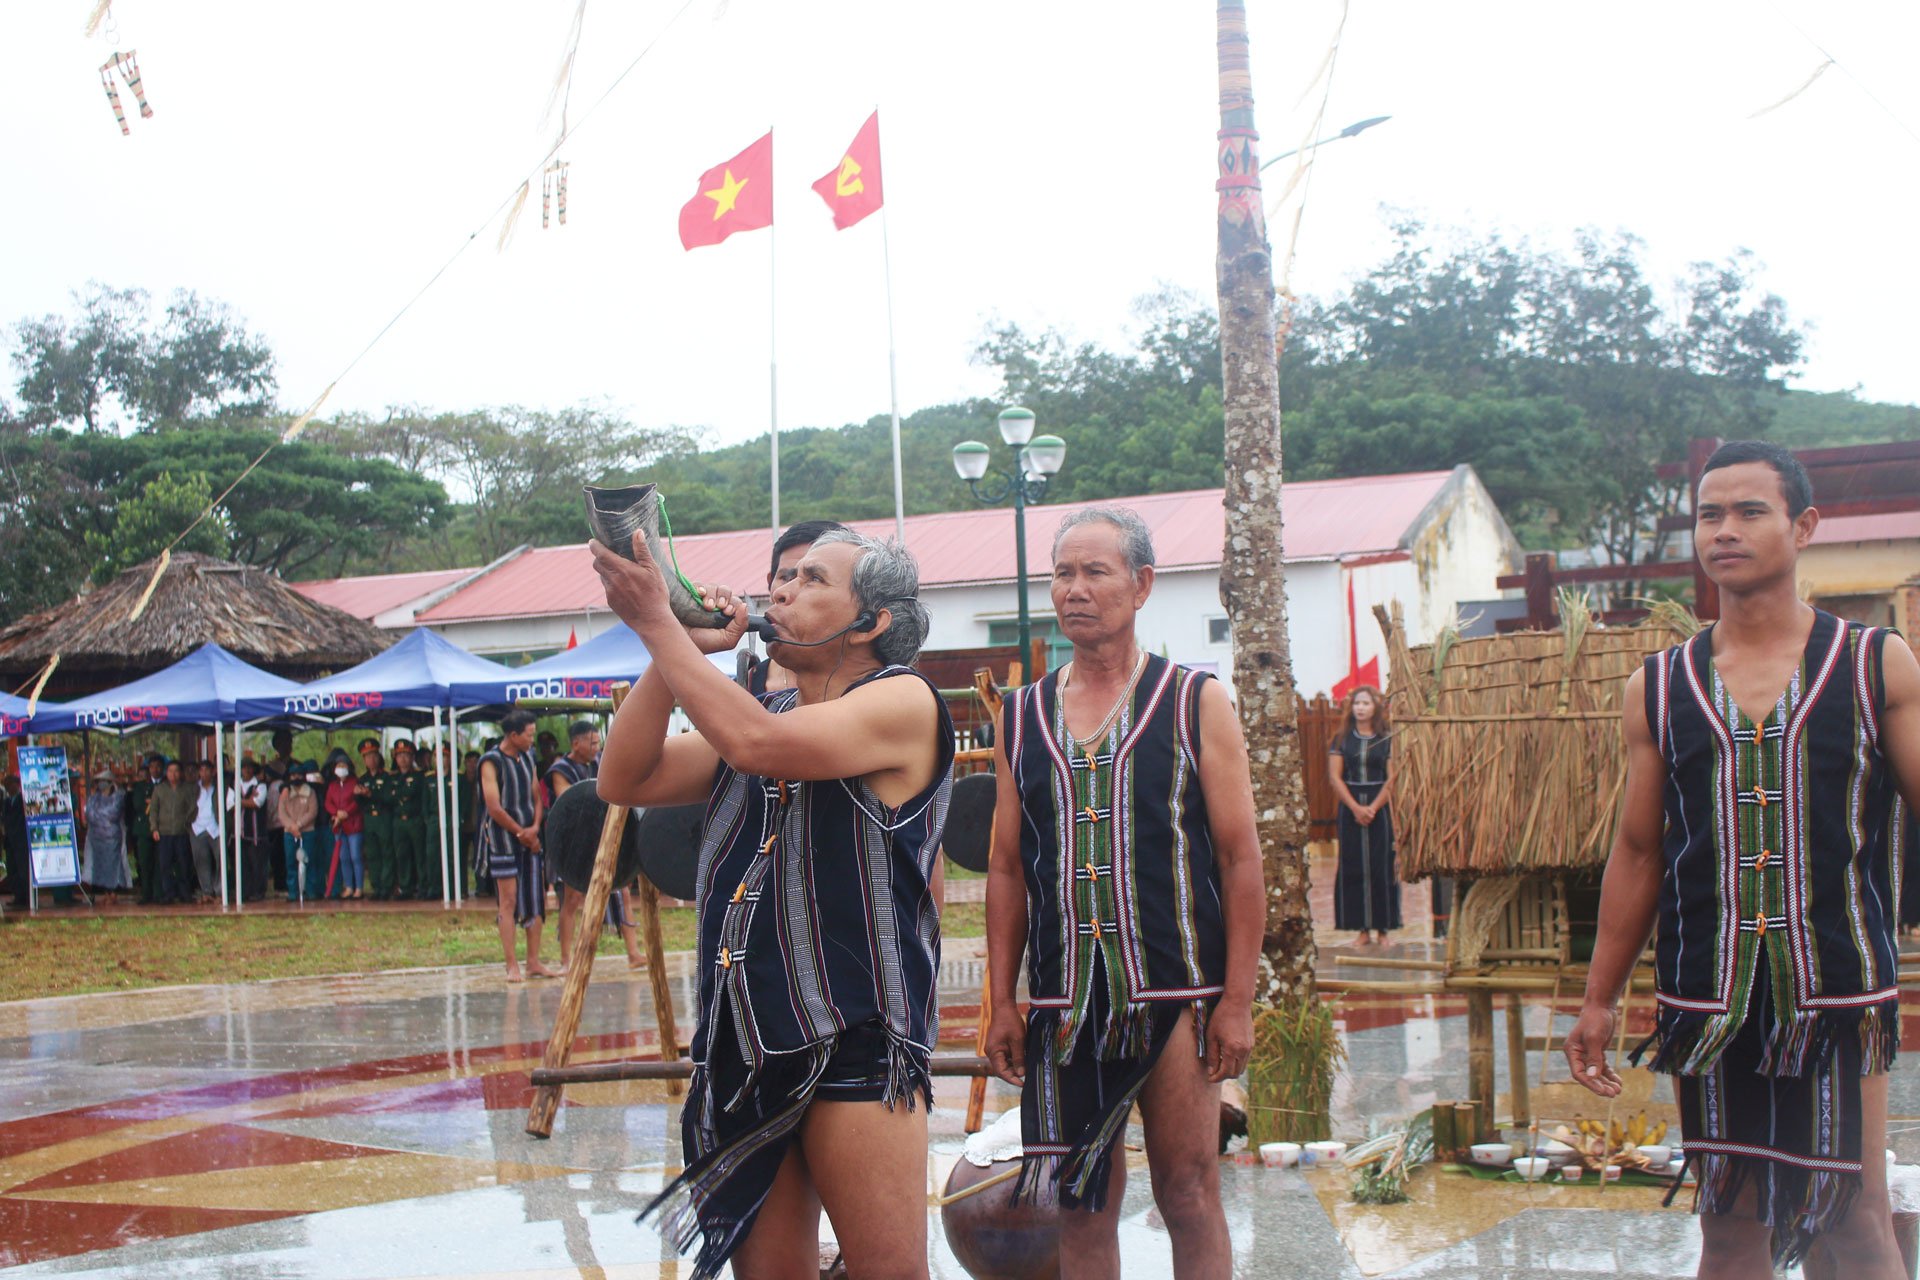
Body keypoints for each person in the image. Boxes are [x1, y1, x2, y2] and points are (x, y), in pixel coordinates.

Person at [1565, 442, 1920, 1278]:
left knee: (1855, 1218)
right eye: (1709, 514)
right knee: (1728, 1225)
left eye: (1750, 511)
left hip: (1836, 991)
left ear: (1803, 527)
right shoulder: (1659, 686)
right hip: (1708, 994)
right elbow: (1641, 849)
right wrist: (1598, 999)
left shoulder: (1875, 665)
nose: (1724, 530)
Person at [594, 525, 951, 1280]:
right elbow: (626, 778)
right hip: (746, 1040)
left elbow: (755, 745)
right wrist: (679, 645)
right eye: (779, 578)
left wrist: (661, 624)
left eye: (812, 579)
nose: (780, 591)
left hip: (857, 1036)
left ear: (874, 621)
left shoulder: (904, 699)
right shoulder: (755, 707)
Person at [982, 506, 1263, 1279]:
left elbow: (1241, 860)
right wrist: (1002, 999)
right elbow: (1006, 868)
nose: (1075, 589)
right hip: (1065, 1002)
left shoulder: (1193, 700)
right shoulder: (1020, 715)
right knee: (1080, 1197)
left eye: (1095, 572)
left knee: (1188, 1190)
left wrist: (1235, 1001)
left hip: (1176, 992)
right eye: (1063, 574)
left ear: (1141, 585)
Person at [548, 720, 645, 970]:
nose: (596, 746)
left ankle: (633, 953)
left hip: (605, 835)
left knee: (622, 890)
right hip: (575, 843)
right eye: (592, 742)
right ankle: (566, 958)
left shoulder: (602, 761)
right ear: (575, 743)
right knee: (572, 898)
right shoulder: (561, 769)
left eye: (597, 742)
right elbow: (567, 801)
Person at [478, 709, 557, 982]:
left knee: (535, 898)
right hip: (503, 841)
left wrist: (534, 827)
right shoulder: (491, 762)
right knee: (508, 901)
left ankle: (533, 962)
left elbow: (537, 796)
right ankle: (512, 965)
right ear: (513, 735)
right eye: (529, 735)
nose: (532, 740)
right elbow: (494, 806)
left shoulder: (527, 758)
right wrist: (519, 832)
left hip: (531, 838)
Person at [1329, 684, 1399, 945]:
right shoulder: (1341, 740)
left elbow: (1392, 778)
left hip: (1380, 809)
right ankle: (1361, 930)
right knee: (1354, 865)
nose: (1361, 708)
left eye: (1366, 703)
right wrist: (1356, 808)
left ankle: (1383, 930)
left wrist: (1374, 806)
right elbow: (1335, 778)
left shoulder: (1387, 738)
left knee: (1381, 866)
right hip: (1350, 809)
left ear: (1375, 707)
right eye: (1357, 703)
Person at [748, 518, 851, 695]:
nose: (785, 592)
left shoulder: (882, 688)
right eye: (786, 578)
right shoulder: (747, 683)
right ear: (770, 582)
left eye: (814, 579)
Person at [388, 739, 433, 902]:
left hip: (415, 820)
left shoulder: (419, 776)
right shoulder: (392, 777)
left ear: (412, 757)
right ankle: (405, 887)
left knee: (420, 855)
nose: (403, 759)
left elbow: (420, 797)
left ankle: (423, 886)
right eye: (399, 756)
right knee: (402, 855)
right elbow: (389, 797)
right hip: (399, 821)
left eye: (406, 755)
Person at [149, 760, 197, 905]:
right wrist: (154, 828)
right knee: (165, 865)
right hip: (164, 832)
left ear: (180, 773)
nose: (173, 774)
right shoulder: (160, 789)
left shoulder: (187, 789)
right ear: (166, 773)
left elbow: (193, 807)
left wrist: (187, 823)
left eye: (176, 771)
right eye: (170, 771)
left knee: (183, 864)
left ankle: (184, 893)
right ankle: (168, 893)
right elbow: (154, 810)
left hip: (181, 832)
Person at [81, 770, 132, 903]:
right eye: (98, 782)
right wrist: (99, 816)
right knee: (99, 866)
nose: (100, 784)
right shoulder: (93, 798)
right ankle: (105, 892)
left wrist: (99, 815)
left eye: (103, 781)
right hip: (96, 838)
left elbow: (113, 813)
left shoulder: (119, 796)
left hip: (112, 837)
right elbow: (89, 814)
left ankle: (114, 892)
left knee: (113, 865)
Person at [276, 762, 323, 903]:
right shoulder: (285, 792)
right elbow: (281, 812)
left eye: (299, 774)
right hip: (289, 833)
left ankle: (310, 891)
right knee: (291, 862)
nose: (296, 777)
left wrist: (299, 825)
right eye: (293, 775)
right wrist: (292, 827)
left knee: (309, 861)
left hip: (307, 831)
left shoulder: (310, 792)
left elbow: (313, 811)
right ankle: (293, 892)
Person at [358, 738, 396, 900]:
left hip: (383, 818)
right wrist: (359, 795)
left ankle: (386, 886)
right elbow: (359, 802)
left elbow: (389, 798)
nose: (371, 760)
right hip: (369, 820)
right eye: (367, 757)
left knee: (386, 852)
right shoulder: (363, 779)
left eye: (374, 755)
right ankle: (376, 886)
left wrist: (371, 794)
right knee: (372, 854)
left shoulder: (387, 777)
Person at [228, 758, 271, 902]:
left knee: (257, 865)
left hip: (256, 834)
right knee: (241, 865)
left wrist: (239, 801)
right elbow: (230, 805)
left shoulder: (261, 786)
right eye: (244, 767)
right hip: (238, 834)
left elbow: (257, 803)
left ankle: (258, 892)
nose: (246, 770)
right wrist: (247, 801)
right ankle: (244, 892)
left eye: (249, 767)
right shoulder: (233, 785)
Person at [323, 754, 364, 899]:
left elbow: (358, 801)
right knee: (344, 857)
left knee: (356, 856)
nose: (341, 769)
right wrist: (337, 813)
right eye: (338, 766)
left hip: (354, 825)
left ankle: (359, 887)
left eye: (343, 766)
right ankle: (348, 887)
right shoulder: (332, 785)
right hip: (339, 826)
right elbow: (328, 802)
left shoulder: (355, 782)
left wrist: (347, 812)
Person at [127, 754, 163, 904]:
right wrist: (153, 802)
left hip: (162, 828)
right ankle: (146, 894)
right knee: (144, 863)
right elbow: (138, 804)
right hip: (143, 829)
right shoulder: (141, 786)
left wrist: (152, 801)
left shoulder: (166, 784)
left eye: (158, 766)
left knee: (160, 863)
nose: (155, 769)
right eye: (152, 766)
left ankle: (158, 894)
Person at [189, 760, 221, 903]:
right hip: (198, 828)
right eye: (201, 770)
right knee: (201, 861)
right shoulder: (193, 789)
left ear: (213, 771)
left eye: (207, 770)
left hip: (215, 828)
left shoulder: (220, 787)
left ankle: (220, 891)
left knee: (221, 859)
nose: (204, 773)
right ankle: (206, 891)